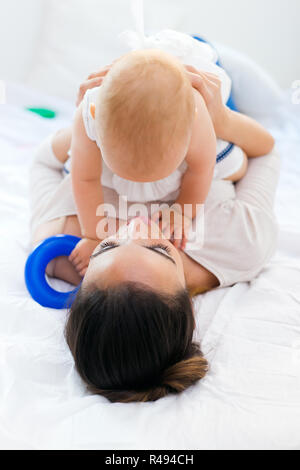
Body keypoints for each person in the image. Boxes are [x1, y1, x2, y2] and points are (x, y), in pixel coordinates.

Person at [29, 58, 280, 402]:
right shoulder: (241, 243)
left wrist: (90, 122)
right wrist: (221, 118)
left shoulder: (63, 241)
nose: (135, 228)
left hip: (120, 87)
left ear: (83, 284)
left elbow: (44, 160)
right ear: (190, 306)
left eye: (107, 247)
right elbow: (266, 152)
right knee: (253, 85)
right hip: (207, 96)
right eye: (160, 249)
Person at [57, 31, 275, 276]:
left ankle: (201, 44)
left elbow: (201, 168)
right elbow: (84, 178)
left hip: (197, 79)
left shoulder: (196, 112)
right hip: (139, 85)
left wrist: (182, 210)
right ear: (94, 116)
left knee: (236, 163)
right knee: (68, 154)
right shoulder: (89, 113)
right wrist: (93, 235)